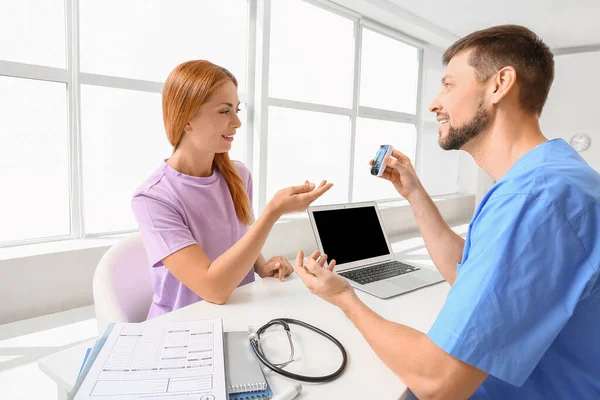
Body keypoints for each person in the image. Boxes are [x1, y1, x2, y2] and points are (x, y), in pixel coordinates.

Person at [295, 25, 600, 399]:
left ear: (499, 84)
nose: (434, 103)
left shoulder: (532, 199)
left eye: (449, 85)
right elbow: (471, 273)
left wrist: (343, 296)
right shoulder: (553, 174)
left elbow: (439, 383)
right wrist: (415, 194)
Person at [132, 60, 332, 319]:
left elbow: (236, 237)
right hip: (181, 325)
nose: (237, 122)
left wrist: (262, 266)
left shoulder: (238, 175)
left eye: (237, 109)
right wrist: (272, 212)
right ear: (187, 119)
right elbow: (213, 289)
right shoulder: (153, 198)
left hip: (238, 313)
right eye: (224, 111)